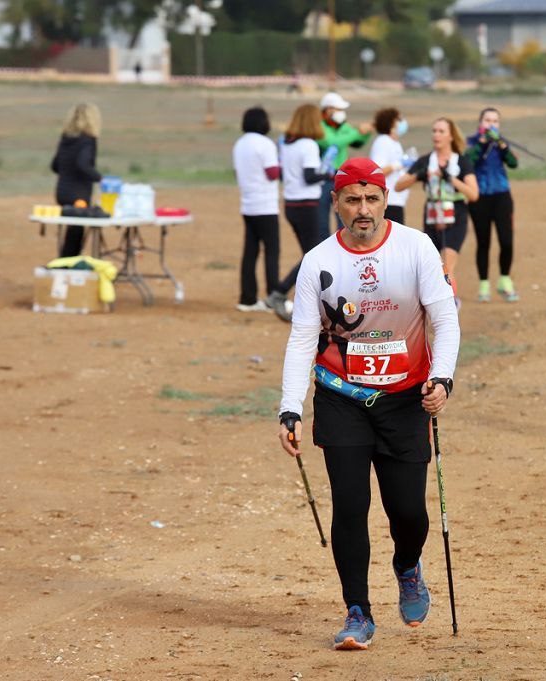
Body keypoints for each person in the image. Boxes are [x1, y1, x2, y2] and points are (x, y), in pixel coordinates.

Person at [276, 157, 460, 651]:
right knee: (350, 507)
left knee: (409, 513)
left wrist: (442, 378)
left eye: (372, 199)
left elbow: (444, 318)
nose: (363, 209)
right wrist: (290, 406)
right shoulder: (317, 262)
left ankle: (407, 566)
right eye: (353, 200)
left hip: (405, 398)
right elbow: (301, 340)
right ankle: (357, 611)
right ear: (335, 203)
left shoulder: (416, 246)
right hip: (342, 397)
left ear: (385, 200)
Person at [395, 118, 479, 303]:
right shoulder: (426, 161)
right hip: (432, 214)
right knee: (430, 265)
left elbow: (473, 194)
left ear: (451, 136)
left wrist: (450, 178)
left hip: (456, 214)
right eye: (434, 131)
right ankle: (433, 303)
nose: (436, 135)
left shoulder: (462, 162)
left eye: (441, 131)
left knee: (447, 266)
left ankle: (450, 304)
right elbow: (399, 185)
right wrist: (419, 175)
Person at [268, 103, 337, 321]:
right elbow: (309, 176)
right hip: (308, 205)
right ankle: (280, 292)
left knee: (312, 256)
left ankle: (311, 302)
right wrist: (329, 174)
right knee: (314, 256)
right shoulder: (308, 144)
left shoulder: (287, 144)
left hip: (291, 204)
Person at [465, 107, 519, 303]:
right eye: (487, 120)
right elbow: (468, 161)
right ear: (480, 123)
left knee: (506, 240)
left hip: (502, 196)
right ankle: (484, 283)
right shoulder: (472, 142)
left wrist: (503, 146)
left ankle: (504, 279)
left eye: (495, 121)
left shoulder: (501, 143)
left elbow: (513, 163)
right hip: (479, 197)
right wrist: (481, 144)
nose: (491, 124)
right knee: (483, 242)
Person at [231, 106, 281, 312]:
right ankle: (272, 298)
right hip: (266, 205)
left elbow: (237, 173)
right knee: (271, 252)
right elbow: (272, 173)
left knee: (250, 253)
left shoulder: (239, 144)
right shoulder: (266, 144)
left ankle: (247, 298)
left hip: (248, 204)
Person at [316, 92, 374, 241]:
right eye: (338, 109)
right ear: (327, 109)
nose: (341, 113)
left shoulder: (343, 127)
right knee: (321, 219)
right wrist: (356, 132)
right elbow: (332, 142)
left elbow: (357, 142)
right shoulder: (318, 127)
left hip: (340, 176)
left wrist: (366, 133)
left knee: (343, 215)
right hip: (322, 177)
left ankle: (343, 244)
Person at [50, 103, 102, 258]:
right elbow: (83, 164)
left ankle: (66, 263)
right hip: (78, 194)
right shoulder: (88, 140)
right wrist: (101, 179)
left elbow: (55, 165)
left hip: (62, 193)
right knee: (76, 232)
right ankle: (68, 265)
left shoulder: (66, 138)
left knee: (73, 230)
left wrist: (68, 172)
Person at [369, 107, 412, 224]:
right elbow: (377, 171)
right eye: (399, 119)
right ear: (392, 123)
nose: (402, 122)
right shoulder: (383, 141)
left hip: (398, 200)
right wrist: (399, 164)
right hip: (389, 201)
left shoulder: (395, 143)